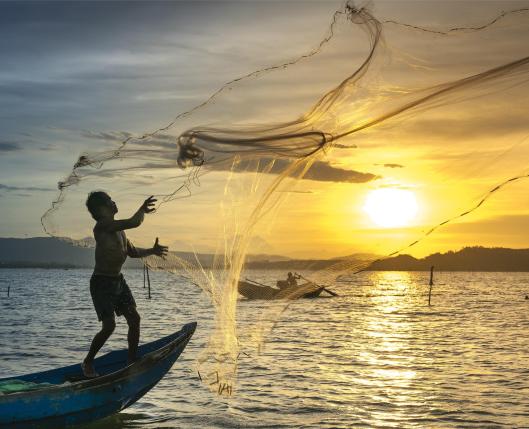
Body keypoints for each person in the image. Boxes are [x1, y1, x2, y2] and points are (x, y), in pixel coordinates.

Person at [81, 192, 168, 378]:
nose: (114, 202)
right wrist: (142, 209)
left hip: (118, 281)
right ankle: (88, 362)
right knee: (109, 326)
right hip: (101, 283)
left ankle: (131, 360)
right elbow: (134, 222)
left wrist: (152, 250)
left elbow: (132, 252)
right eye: (110, 200)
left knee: (134, 319)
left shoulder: (120, 231)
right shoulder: (103, 226)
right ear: (102, 208)